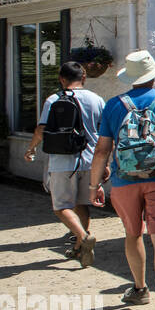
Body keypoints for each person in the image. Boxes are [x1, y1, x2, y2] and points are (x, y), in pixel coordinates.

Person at [89, 49, 155, 310]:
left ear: (130, 77)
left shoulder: (113, 105)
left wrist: (93, 184)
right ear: (153, 76)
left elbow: (102, 150)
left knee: (133, 234)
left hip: (124, 180)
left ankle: (139, 288)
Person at [23, 61, 104, 267]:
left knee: (61, 206)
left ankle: (83, 237)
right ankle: (79, 248)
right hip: (90, 160)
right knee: (81, 204)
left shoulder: (54, 99)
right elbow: (103, 132)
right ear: (83, 78)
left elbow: (41, 129)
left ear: (62, 79)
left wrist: (31, 148)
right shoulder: (96, 99)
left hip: (62, 161)